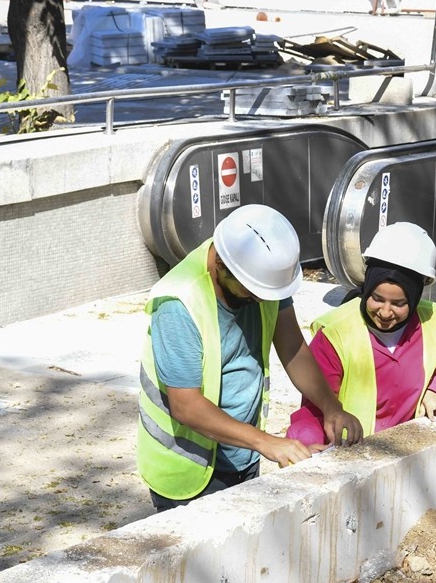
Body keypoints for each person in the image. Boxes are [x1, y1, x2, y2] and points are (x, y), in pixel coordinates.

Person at [138, 205, 363, 511]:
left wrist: (330, 407)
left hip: (243, 454)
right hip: (186, 471)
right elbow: (186, 405)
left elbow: (292, 347)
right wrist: (266, 442)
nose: (261, 299)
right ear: (219, 263)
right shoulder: (179, 303)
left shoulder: (263, 277)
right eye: (252, 291)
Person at [287, 222, 436, 446]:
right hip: (352, 458)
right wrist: (307, 443)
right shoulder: (335, 335)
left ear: (415, 295)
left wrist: (435, 390)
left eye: (399, 303)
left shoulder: (435, 323)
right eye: (377, 298)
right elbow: (314, 407)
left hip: (401, 453)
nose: (385, 312)